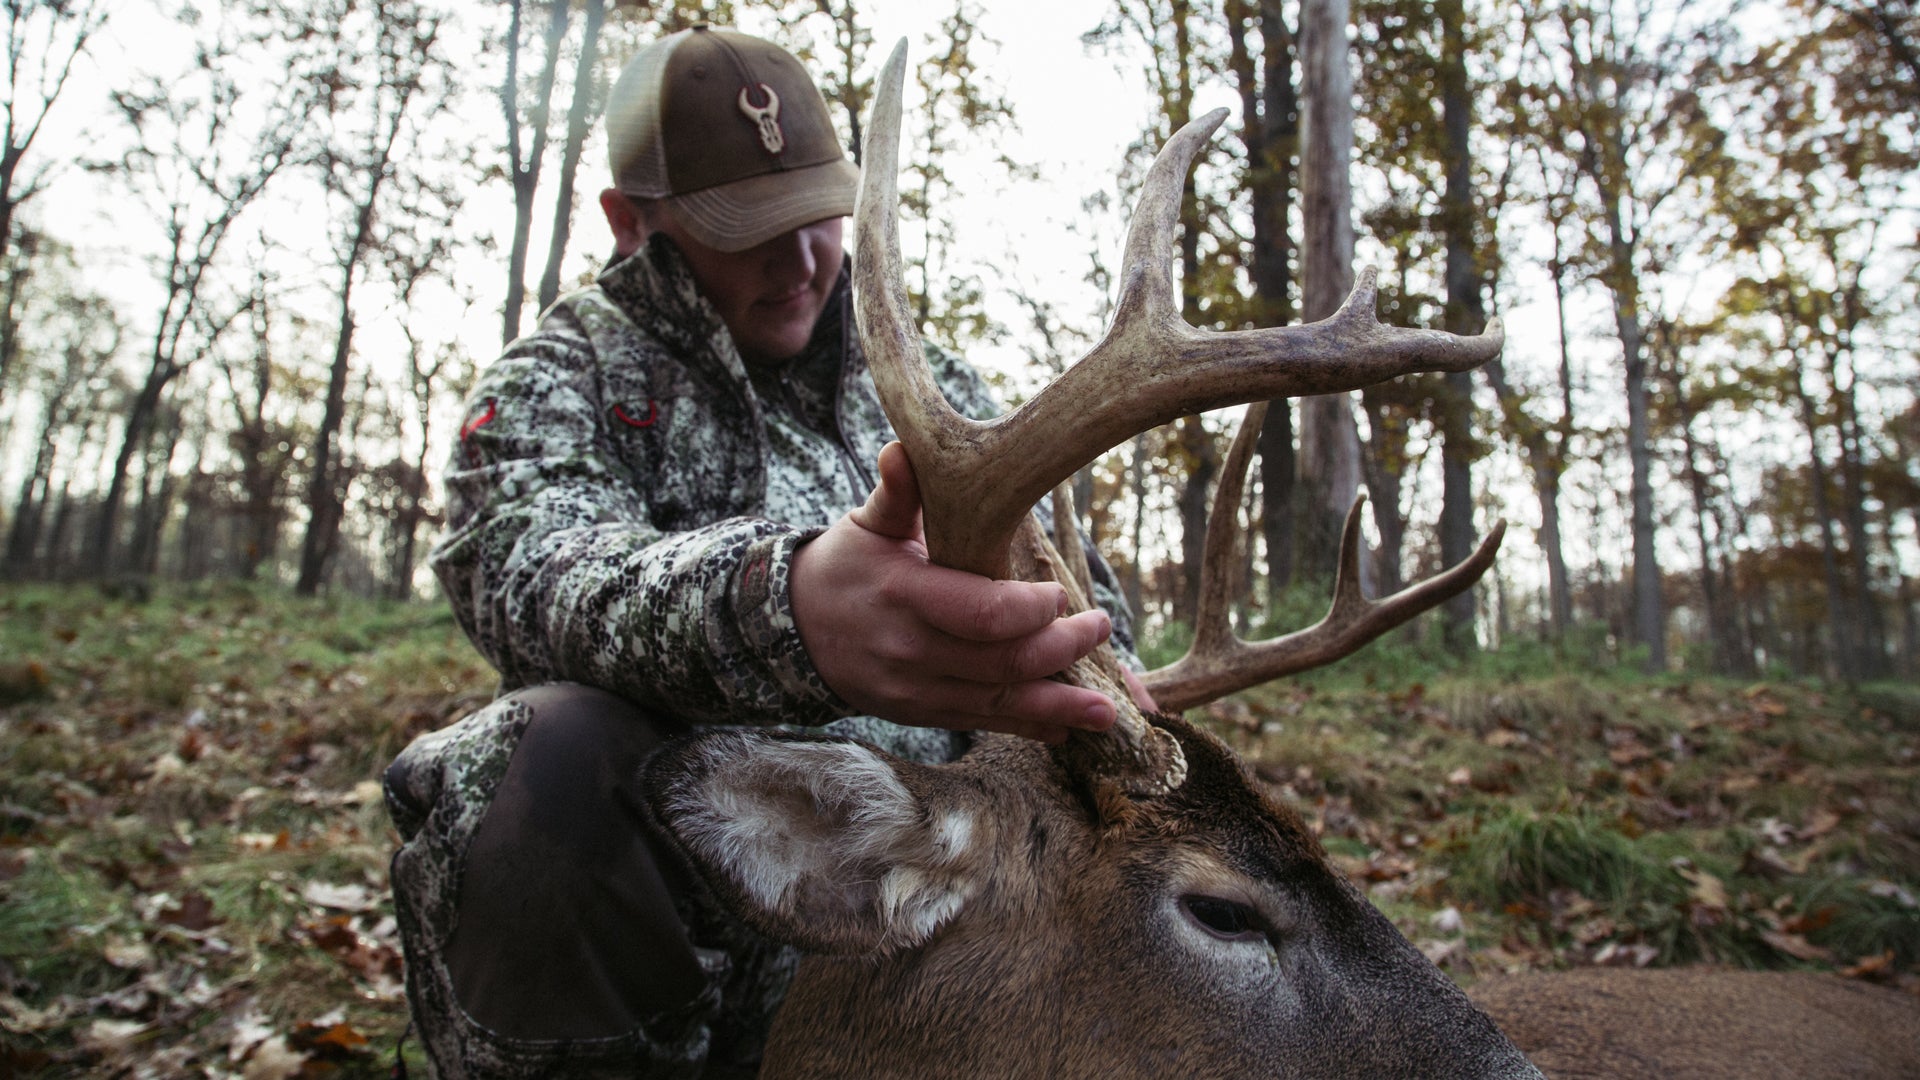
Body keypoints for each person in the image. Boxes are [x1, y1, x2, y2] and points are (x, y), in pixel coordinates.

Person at [382, 24, 1145, 1079]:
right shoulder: (560, 380)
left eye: (815, 214)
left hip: (958, 930)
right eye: (746, 229)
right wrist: (784, 609)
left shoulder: (936, 391)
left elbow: (1085, 604)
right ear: (628, 220)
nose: (799, 263)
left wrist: (1107, 693)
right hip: (713, 942)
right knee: (539, 756)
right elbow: (530, 567)